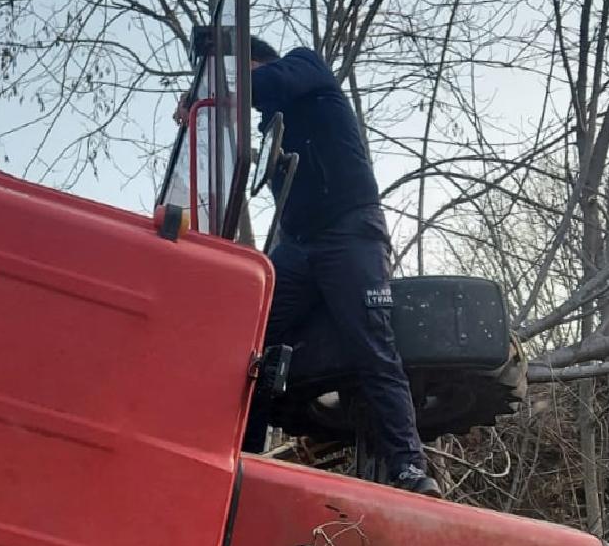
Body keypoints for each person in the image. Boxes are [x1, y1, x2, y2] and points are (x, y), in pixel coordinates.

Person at [184, 36, 438, 497]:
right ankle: (244, 459)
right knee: (254, 339)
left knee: (372, 345)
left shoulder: (305, 68)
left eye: (230, 70)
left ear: (251, 61)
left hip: (350, 230)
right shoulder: (263, 128)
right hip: (300, 245)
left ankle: (408, 466)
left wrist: (209, 88)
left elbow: (264, 84)